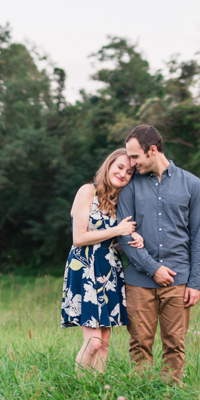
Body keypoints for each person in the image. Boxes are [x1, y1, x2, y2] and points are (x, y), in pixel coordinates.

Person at [116, 124, 200, 382]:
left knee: (175, 345)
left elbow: (199, 236)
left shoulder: (192, 184)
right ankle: (142, 398)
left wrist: (195, 281)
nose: (131, 163)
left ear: (152, 150)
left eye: (134, 156)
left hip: (179, 281)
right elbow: (123, 234)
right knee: (139, 346)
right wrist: (153, 268)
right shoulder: (130, 186)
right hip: (138, 281)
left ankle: (170, 398)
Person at [61, 148, 144, 373]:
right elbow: (79, 238)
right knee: (94, 342)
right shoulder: (88, 191)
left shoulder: (121, 200)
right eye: (119, 167)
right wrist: (119, 229)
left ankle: (97, 390)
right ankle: (78, 384)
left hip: (109, 270)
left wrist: (129, 242)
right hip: (85, 268)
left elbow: (111, 244)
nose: (123, 174)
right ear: (108, 165)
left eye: (129, 172)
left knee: (104, 343)